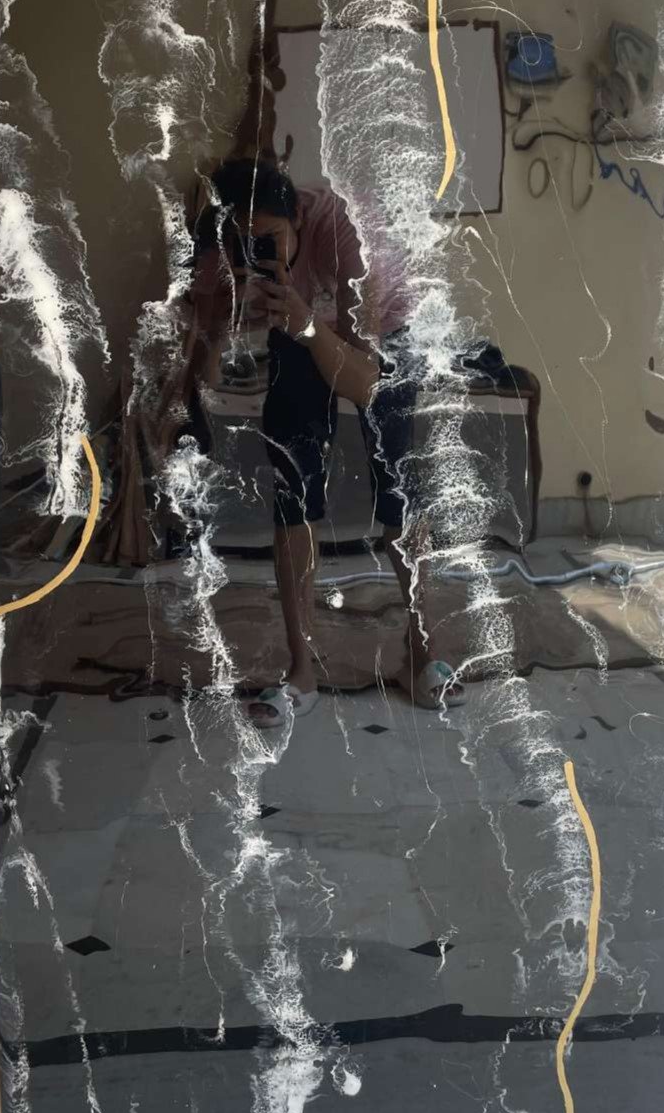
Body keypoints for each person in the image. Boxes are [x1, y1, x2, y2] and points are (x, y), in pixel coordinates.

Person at [179, 156, 462, 728]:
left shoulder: (344, 232)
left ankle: (420, 651)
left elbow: (366, 383)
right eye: (239, 242)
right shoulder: (220, 247)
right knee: (293, 491)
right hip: (297, 324)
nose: (252, 253)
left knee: (398, 492)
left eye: (267, 240)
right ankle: (300, 670)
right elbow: (206, 356)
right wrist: (220, 323)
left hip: (382, 332)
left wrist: (308, 324)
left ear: (299, 221)